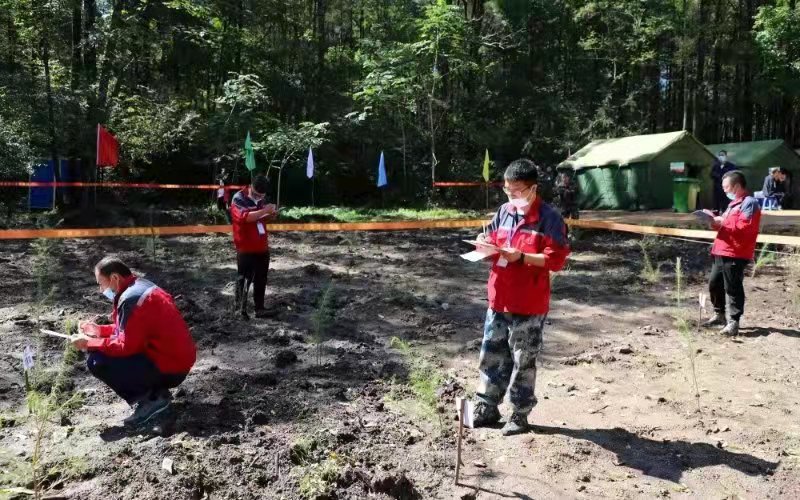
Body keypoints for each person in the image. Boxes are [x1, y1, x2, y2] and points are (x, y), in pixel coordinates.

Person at [470, 158, 571, 436]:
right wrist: (484, 240)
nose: (512, 196)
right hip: (499, 297)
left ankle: (519, 413)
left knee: (523, 358)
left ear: (533, 189)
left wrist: (522, 257)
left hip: (528, 303)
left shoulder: (550, 219)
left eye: (517, 191)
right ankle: (486, 405)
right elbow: (491, 235)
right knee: (491, 353)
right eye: (507, 190)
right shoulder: (504, 211)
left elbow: (556, 260)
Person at [71, 257, 196, 427]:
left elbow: (127, 346)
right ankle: (156, 394)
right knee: (101, 351)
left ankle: (152, 400)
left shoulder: (131, 299)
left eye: (101, 283)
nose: (101, 290)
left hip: (170, 367)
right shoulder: (140, 287)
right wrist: (98, 331)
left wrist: (90, 343)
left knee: (97, 360)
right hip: (175, 360)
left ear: (115, 278)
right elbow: (131, 329)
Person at [701, 171, 761, 336]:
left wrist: (723, 221)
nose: (724, 190)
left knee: (733, 287)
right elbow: (726, 226)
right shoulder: (732, 204)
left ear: (736, 186)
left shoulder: (749, 203)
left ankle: (734, 322)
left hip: (736, 252)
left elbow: (744, 228)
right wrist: (714, 222)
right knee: (714, 284)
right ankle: (719, 315)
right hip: (721, 250)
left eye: (726, 187)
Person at [230, 174, 278, 320]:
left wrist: (271, 215)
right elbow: (246, 217)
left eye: (261, 196)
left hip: (262, 246)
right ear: (251, 187)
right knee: (244, 279)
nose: (259, 198)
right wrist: (265, 211)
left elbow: (259, 218)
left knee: (261, 278)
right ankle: (240, 310)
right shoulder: (238, 198)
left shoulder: (262, 199)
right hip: (246, 247)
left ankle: (260, 308)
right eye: (256, 195)